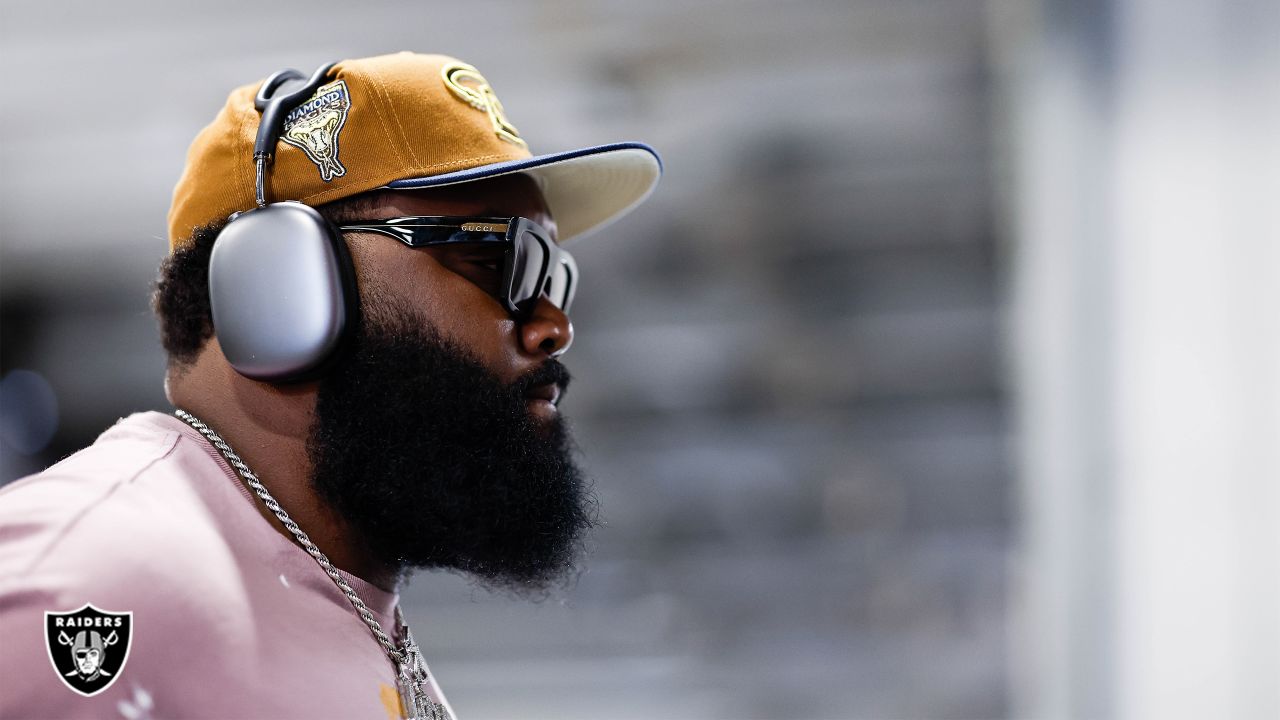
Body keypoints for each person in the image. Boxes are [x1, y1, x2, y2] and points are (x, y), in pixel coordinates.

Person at [0, 51, 660, 719]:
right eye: (497, 257)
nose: (553, 326)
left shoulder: (345, 612)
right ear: (279, 282)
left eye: (554, 278)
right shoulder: (95, 576)